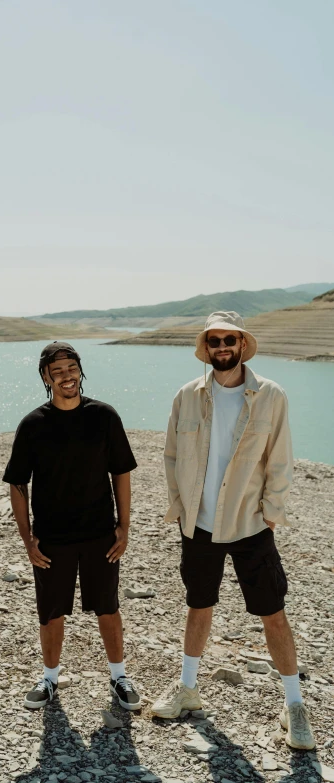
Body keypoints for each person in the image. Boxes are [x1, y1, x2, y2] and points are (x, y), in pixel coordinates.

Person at [151, 312, 315, 750]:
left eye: (229, 340)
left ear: (242, 344)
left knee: (272, 614)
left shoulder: (270, 395)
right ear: (207, 347)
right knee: (197, 605)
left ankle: (294, 705)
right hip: (198, 525)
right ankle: (188, 690)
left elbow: (281, 460)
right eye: (215, 340)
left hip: (249, 524)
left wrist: (271, 512)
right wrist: (180, 506)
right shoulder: (187, 396)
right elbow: (170, 455)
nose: (222, 347)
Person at [3, 341, 141, 711]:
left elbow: (121, 473)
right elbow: (18, 484)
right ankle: (49, 679)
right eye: (57, 370)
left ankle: (119, 677)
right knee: (51, 612)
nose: (66, 376)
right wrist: (27, 539)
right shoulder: (33, 424)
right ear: (46, 377)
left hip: (100, 534)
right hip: (52, 537)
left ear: (80, 370)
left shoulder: (104, 416)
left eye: (71, 367)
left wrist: (124, 527)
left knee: (108, 607)